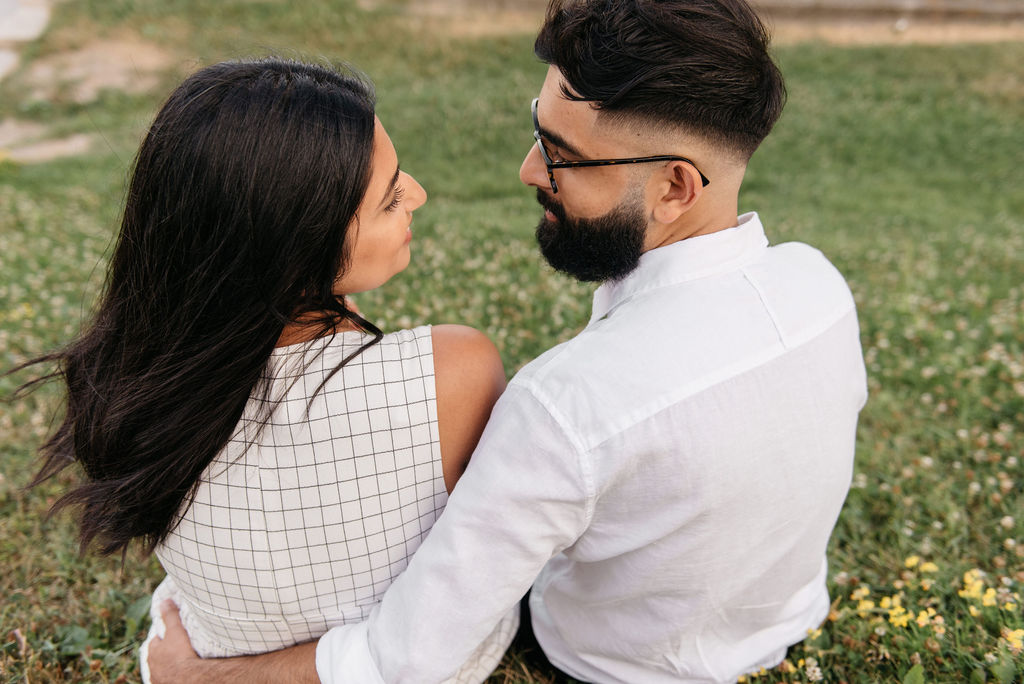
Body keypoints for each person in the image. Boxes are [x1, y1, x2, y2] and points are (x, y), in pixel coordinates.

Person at [149, 0, 868, 681]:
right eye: (539, 129)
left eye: (562, 154)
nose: (528, 170)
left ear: (675, 188)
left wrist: (204, 674)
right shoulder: (821, 288)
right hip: (786, 624)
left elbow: (405, 660)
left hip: (613, 666)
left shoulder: (564, 404)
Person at [17, 58, 517, 684]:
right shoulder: (455, 368)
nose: (416, 193)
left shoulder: (127, 377)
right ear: (300, 244)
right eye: (391, 198)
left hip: (216, 646)